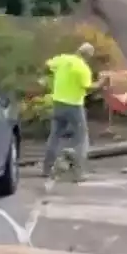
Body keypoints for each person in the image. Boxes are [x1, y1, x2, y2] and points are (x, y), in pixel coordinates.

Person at [42, 43, 97, 180]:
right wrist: (102, 83)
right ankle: (77, 172)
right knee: (81, 138)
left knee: (54, 135)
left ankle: (47, 169)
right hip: (74, 106)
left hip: (58, 103)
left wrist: (52, 77)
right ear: (88, 56)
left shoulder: (63, 59)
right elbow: (88, 88)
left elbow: (47, 65)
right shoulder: (83, 69)